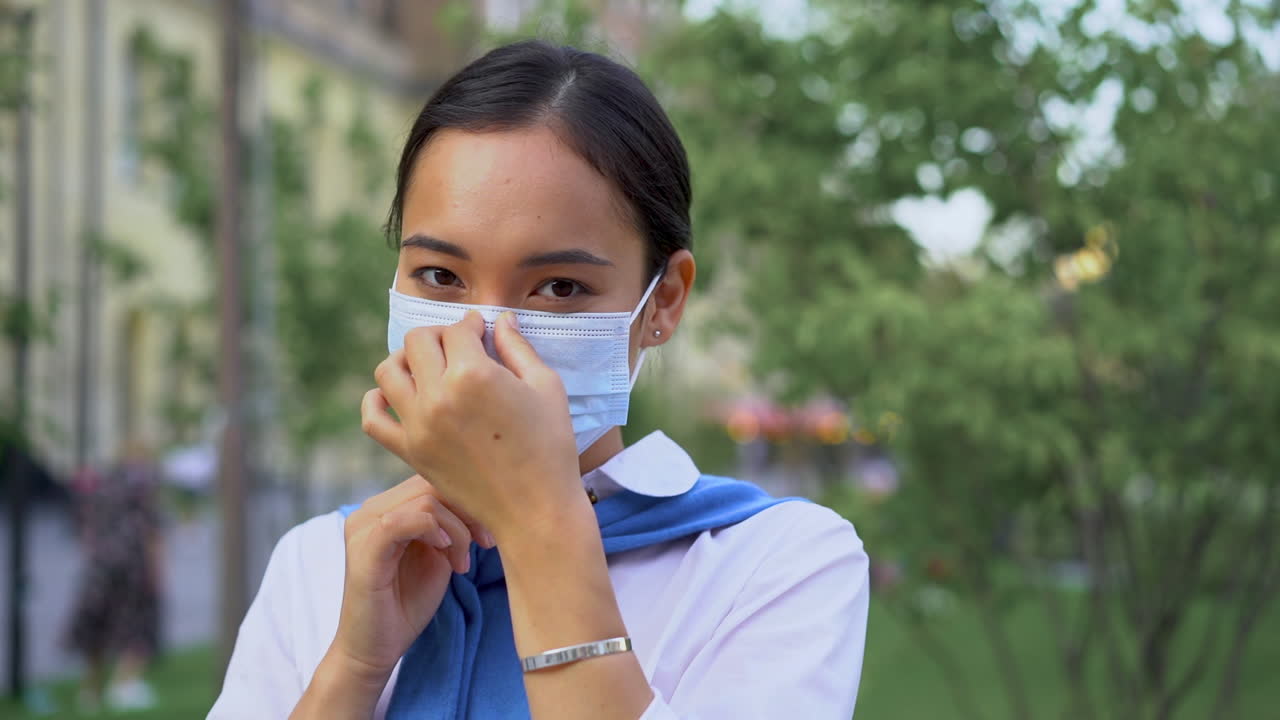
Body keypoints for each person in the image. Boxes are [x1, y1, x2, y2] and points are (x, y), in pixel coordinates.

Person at [210, 40, 868, 720]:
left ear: (664, 300)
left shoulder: (773, 563)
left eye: (559, 286)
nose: (483, 343)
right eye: (440, 277)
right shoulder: (323, 561)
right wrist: (353, 667)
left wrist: (535, 524)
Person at [65, 440, 165, 712]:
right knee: (137, 625)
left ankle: (91, 690)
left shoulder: (103, 485)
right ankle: (124, 685)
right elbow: (152, 531)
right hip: (132, 567)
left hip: (100, 566)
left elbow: (85, 527)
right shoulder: (144, 486)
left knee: (97, 623)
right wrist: (158, 574)